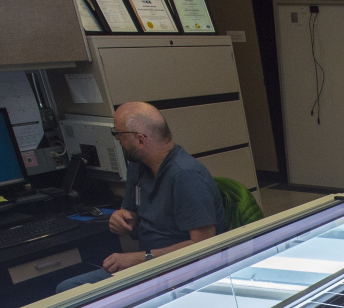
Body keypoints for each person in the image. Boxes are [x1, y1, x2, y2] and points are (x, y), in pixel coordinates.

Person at [58, 102, 228, 291]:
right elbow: (130, 212)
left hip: (182, 270)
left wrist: (140, 258)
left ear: (140, 140)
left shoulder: (185, 176)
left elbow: (203, 246)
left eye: (118, 134)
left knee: (70, 291)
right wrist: (120, 218)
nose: (118, 141)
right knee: (69, 288)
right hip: (151, 264)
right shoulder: (138, 166)